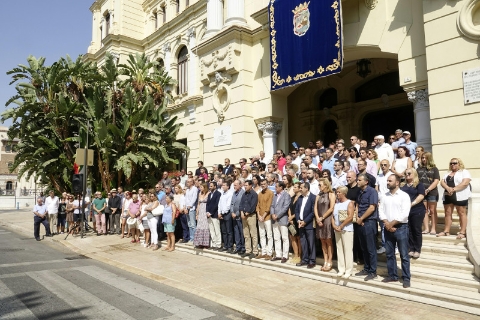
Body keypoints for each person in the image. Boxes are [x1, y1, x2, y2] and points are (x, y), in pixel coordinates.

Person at [379, 175, 412, 288]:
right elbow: (381, 210)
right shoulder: (384, 196)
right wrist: (386, 224)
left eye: (390, 181)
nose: (387, 182)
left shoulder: (404, 196)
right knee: (389, 254)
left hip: (401, 228)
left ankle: (406, 278)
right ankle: (392, 275)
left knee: (404, 255)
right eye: (387, 180)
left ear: (397, 182)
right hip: (388, 228)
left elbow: (404, 214)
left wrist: (390, 224)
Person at [438, 158, 471, 239]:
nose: (453, 165)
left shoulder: (464, 172)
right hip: (448, 195)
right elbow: (442, 182)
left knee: (461, 213)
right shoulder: (447, 173)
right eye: (451, 163)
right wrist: (448, 188)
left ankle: (462, 232)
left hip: (460, 195)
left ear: (459, 164)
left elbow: (465, 183)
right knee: (448, 213)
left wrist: (453, 189)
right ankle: (446, 231)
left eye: (455, 163)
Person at [355, 173, 379, 281]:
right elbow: (357, 205)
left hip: (369, 222)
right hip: (361, 222)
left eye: (359, 180)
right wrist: (357, 217)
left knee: (370, 248)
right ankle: (366, 268)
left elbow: (372, 207)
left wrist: (362, 218)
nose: (357, 182)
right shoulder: (359, 192)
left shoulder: (372, 191)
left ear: (366, 181)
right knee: (364, 247)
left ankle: (373, 271)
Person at [400, 168, 425, 259]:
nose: (407, 175)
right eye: (406, 174)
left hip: (417, 210)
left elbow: (421, 196)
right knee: (409, 230)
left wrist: (411, 204)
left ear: (414, 174)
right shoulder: (402, 186)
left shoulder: (419, 184)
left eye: (409, 173)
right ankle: (411, 248)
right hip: (406, 212)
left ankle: (417, 249)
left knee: (416, 230)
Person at [332, 186, 355, 278]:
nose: (337, 194)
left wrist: (341, 226)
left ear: (344, 193)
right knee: (339, 249)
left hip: (347, 229)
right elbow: (333, 217)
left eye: (339, 192)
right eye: (337, 192)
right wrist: (334, 226)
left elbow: (350, 216)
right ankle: (341, 269)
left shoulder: (349, 203)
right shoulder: (336, 204)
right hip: (337, 229)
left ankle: (348, 270)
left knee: (348, 250)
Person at [314, 178, 336, 271]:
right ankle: (325, 260)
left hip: (327, 220)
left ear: (326, 185)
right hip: (319, 219)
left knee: (328, 241)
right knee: (322, 241)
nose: (319, 186)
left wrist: (322, 217)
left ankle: (330, 261)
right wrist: (318, 218)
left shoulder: (331, 194)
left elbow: (331, 208)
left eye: (320, 185)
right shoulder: (318, 195)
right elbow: (315, 207)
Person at [417, 152, 440, 235]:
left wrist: (428, 189)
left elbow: (436, 180)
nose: (423, 159)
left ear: (429, 159)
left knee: (433, 211)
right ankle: (426, 228)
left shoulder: (434, 168)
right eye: (422, 158)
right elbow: (416, 180)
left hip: (432, 192)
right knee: (424, 210)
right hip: (421, 193)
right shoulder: (419, 169)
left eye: (425, 158)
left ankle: (433, 228)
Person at [295, 182, 317, 269]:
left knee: (311, 243)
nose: (300, 189)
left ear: (306, 188)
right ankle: (305, 259)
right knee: (303, 242)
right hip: (300, 224)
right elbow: (296, 210)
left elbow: (313, 212)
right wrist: (298, 220)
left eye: (301, 188)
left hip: (309, 224)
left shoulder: (313, 197)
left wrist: (305, 221)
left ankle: (312, 261)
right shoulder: (300, 197)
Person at [270, 181, 291, 263]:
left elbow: (285, 207)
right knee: (276, 237)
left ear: (281, 187)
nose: (275, 188)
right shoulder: (275, 196)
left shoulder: (286, 195)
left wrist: (277, 215)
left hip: (282, 219)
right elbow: (272, 206)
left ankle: (285, 255)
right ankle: (278, 254)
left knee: (285, 238)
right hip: (274, 219)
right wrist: (272, 214)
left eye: (276, 187)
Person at [239, 180, 259, 258]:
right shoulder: (244, 194)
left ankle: (255, 251)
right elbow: (241, 204)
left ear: (251, 185)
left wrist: (247, 213)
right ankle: (248, 250)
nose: (245, 186)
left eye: (246, 185)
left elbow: (253, 205)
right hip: (243, 216)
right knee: (246, 234)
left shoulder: (254, 194)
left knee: (253, 234)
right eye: (245, 185)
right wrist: (241, 212)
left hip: (251, 216)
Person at [256, 179, 274, 259]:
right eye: (262, 184)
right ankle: (263, 252)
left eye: (264, 184)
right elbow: (258, 205)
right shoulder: (259, 194)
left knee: (269, 235)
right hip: (260, 217)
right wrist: (259, 215)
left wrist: (263, 216)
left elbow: (269, 206)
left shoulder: (270, 193)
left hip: (267, 217)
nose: (263, 185)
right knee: (262, 235)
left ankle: (269, 253)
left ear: (267, 184)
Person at [287, 182, 302, 264]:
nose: (294, 188)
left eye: (295, 187)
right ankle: (295, 255)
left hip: (297, 220)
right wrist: (289, 217)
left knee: (298, 238)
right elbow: (289, 208)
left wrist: (292, 217)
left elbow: (299, 210)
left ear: (300, 188)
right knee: (292, 237)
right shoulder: (292, 197)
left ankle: (300, 255)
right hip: (291, 220)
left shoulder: (301, 198)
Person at [230, 180, 245, 254]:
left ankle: (243, 247)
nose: (234, 186)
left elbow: (242, 205)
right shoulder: (234, 193)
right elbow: (232, 204)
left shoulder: (243, 193)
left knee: (241, 232)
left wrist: (237, 213)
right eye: (234, 185)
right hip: (234, 216)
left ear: (240, 185)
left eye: (236, 185)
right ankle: (238, 247)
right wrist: (232, 212)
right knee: (236, 232)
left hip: (239, 216)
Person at [218, 181, 234, 252]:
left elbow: (228, 205)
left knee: (229, 231)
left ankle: (230, 246)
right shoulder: (222, 194)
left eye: (224, 185)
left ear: (228, 186)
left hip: (227, 214)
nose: (223, 186)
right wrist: (219, 213)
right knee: (224, 231)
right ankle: (225, 245)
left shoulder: (230, 194)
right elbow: (219, 204)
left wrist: (223, 213)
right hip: (222, 214)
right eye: (222, 185)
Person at [206, 181, 222, 249]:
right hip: (208, 215)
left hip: (214, 214)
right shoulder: (209, 194)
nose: (210, 187)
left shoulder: (218, 194)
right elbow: (207, 204)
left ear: (215, 186)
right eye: (210, 186)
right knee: (212, 230)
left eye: (211, 186)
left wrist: (211, 212)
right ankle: (214, 243)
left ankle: (218, 244)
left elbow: (216, 204)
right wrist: (207, 212)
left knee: (217, 230)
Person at [184, 178, 199, 244]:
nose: (188, 183)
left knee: (193, 224)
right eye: (187, 182)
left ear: (192, 182)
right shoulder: (187, 190)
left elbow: (194, 198)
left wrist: (189, 206)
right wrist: (185, 207)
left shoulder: (194, 189)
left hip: (192, 208)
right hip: (187, 208)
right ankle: (191, 238)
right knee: (189, 224)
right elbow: (186, 199)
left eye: (189, 182)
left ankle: (194, 239)